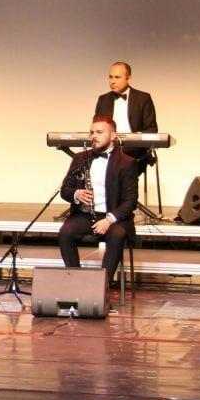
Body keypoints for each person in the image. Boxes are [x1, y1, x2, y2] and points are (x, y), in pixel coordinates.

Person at [57, 115, 139, 281]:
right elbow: (65, 190)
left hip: (113, 217)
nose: (94, 136)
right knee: (65, 233)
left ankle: (103, 286)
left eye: (99, 132)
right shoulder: (80, 158)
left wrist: (109, 220)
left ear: (113, 136)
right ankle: (75, 281)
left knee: (117, 235)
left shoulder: (127, 162)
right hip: (85, 215)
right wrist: (76, 194)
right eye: (92, 132)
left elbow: (130, 201)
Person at [93, 62, 158, 164]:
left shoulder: (143, 98)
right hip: (108, 152)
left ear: (128, 79)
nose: (112, 81)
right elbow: (96, 127)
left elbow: (152, 129)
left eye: (117, 77)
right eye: (110, 77)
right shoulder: (103, 100)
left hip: (135, 153)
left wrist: (137, 137)